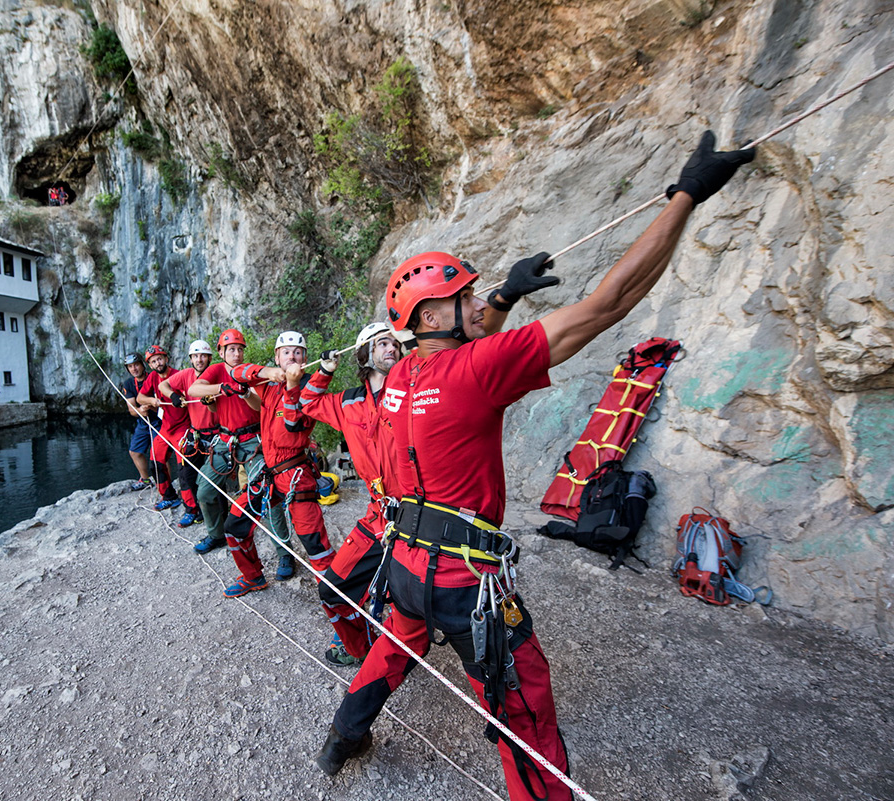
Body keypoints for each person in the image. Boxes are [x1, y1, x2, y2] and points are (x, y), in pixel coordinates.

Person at [315, 131, 755, 797]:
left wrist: (503, 300)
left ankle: (343, 737)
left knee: (393, 646)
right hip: (466, 582)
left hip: (405, 563)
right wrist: (686, 196)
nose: (477, 302)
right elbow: (608, 305)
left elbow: (465, 349)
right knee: (525, 711)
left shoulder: (402, 375)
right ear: (435, 313)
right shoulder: (477, 370)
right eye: (466, 296)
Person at [294, 322, 402, 666]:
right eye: (382, 344)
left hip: (420, 511)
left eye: (394, 344)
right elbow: (308, 403)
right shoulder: (349, 402)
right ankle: (360, 648)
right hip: (379, 512)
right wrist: (324, 371)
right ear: (365, 354)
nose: (392, 349)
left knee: (409, 596)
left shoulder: (413, 390)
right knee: (332, 589)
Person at [214, 331, 336, 596]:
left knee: (315, 544)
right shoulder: (268, 384)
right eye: (286, 352)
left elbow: (293, 423)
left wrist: (295, 382)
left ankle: (348, 613)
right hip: (271, 473)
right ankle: (253, 577)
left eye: (298, 352)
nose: (292, 356)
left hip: (295, 474)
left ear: (305, 358)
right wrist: (267, 372)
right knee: (235, 524)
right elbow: (236, 373)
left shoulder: (308, 387)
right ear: (277, 357)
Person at [186, 329, 291, 561]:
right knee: (204, 490)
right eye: (231, 349)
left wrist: (243, 392)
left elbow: (258, 406)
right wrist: (220, 389)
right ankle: (216, 534)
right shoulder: (215, 371)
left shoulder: (249, 372)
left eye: (239, 349)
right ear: (221, 352)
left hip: (252, 439)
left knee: (267, 494)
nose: (236, 354)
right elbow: (193, 390)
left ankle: (284, 552)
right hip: (225, 440)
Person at [156, 340, 217, 527]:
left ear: (209, 358)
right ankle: (193, 510)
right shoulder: (186, 375)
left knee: (214, 479)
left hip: (215, 433)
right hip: (196, 433)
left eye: (203, 356)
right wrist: (173, 396)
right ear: (191, 358)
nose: (199, 360)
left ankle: (218, 517)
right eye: (196, 356)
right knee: (186, 473)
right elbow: (163, 386)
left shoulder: (216, 374)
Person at [135, 345, 185, 511]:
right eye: (153, 361)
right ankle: (169, 496)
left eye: (160, 359)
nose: (158, 363)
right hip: (166, 427)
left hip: (182, 426)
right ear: (150, 365)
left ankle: (191, 505)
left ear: (166, 359)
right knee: (155, 461)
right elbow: (140, 397)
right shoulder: (152, 378)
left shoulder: (178, 375)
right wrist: (150, 402)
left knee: (183, 467)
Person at [121, 353, 156, 491]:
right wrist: (140, 410)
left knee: (158, 454)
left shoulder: (154, 378)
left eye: (136, 365)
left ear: (142, 365)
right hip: (143, 422)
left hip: (159, 420)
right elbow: (131, 410)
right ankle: (145, 479)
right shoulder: (129, 384)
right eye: (130, 366)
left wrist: (150, 406)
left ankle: (164, 484)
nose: (134, 369)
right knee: (134, 452)